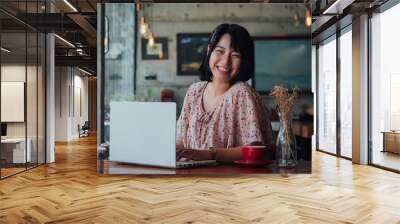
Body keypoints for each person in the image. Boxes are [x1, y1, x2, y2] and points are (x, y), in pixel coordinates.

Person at [176, 23, 273, 163]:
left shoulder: (242, 93)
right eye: (220, 51)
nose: (225, 61)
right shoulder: (194, 91)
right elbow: (180, 140)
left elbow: (255, 149)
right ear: (209, 50)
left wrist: (209, 154)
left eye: (235, 55)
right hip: (190, 176)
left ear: (243, 60)